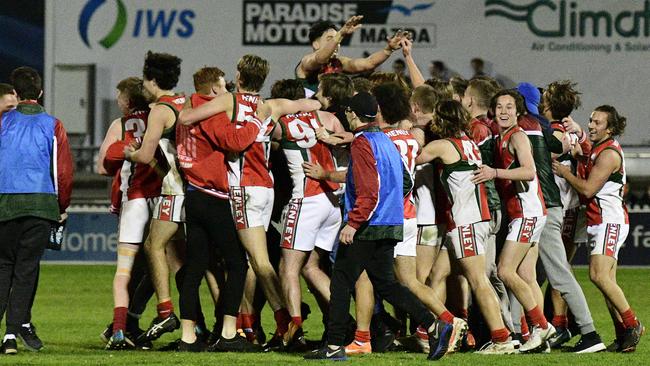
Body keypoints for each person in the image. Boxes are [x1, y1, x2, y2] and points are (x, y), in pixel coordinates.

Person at [304, 92, 453, 361]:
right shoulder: (384, 139)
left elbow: (369, 190)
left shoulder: (362, 143)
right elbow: (405, 182)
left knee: (341, 281)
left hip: (368, 224)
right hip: (391, 221)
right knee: (386, 284)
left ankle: (335, 345)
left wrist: (354, 222)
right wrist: (389, 205)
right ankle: (433, 324)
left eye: (348, 112)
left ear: (352, 114)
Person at [177, 55, 293, 346]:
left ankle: (282, 322)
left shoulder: (226, 104)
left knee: (242, 262)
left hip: (230, 190)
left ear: (238, 78)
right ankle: (244, 327)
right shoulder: (270, 104)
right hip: (267, 187)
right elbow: (305, 106)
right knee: (246, 263)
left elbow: (228, 139)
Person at [416, 100, 515, 354]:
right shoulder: (468, 143)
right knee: (437, 275)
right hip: (471, 220)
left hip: (466, 222)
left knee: (478, 280)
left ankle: (501, 338)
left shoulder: (442, 145)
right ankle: (437, 332)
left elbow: (411, 158)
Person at [518, 81, 606, 353]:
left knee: (558, 274)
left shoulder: (551, 132)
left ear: (546, 106)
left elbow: (558, 147)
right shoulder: (562, 131)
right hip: (546, 208)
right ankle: (523, 331)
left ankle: (589, 333)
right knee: (519, 272)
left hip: (549, 208)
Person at [263, 79, 346, 350]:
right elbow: (345, 139)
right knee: (311, 267)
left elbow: (261, 135)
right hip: (333, 200)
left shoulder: (281, 126)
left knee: (288, 268)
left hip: (306, 200)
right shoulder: (327, 117)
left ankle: (294, 327)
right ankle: (344, 320)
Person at [554, 106, 644, 353]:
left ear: (610, 128)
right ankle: (624, 337)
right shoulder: (596, 149)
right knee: (607, 283)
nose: (592, 126)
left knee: (599, 276)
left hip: (609, 221)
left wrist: (564, 171)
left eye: (598, 123)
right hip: (599, 221)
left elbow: (587, 189)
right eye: (591, 121)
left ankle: (632, 323)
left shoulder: (608, 155)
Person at [472, 89, 553, 353]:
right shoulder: (502, 136)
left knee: (505, 271)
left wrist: (493, 172)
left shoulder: (517, 136)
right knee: (527, 275)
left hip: (527, 212)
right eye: (499, 107)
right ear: (493, 111)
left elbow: (530, 172)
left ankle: (541, 326)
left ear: (518, 112)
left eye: (509, 107)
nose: (504, 111)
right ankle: (539, 336)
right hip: (529, 211)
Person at [0, 66, 73, 354]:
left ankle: (7, 334)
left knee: (4, 266)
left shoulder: (3, 122)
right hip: (41, 204)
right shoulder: (53, 124)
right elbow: (63, 171)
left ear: (15, 94)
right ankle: (11, 335)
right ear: (40, 93)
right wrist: (61, 205)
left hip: (5, 203)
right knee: (26, 270)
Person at [125, 51, 186, 342]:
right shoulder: (184, 101)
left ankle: (166, 312)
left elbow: (147, 154)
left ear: (151, 80)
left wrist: (132, 153)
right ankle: (197, 322)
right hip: (197, 188)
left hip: (175, 191)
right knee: (189, 259)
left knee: (153, 245)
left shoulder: (159, 110)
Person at [97, 77, 161, 349]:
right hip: (162, 200)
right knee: (158, 267)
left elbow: (102, 166)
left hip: (134, 200)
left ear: (127, 100)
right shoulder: (162, 117)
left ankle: (120, 331)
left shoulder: (120, 124)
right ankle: (138, 320)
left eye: (120, 95)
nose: (118, 100)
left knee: (124, 270)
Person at [461, 78, 513, 331]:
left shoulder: (478, 130)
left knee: (484, 274)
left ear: (469, 100)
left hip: (483, 207)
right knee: (487, 273)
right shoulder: (490, 127)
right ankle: (508, 330)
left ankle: (504, 331)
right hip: (488, 206)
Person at [296, 17, 408, 92]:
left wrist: (388, 49)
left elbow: (368, 63)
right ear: (315, 44)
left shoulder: (339, 63)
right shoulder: (307, 61)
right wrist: (340, 34)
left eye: (338, 41)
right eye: (330, 39)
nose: (336, 44)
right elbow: (320, 58)